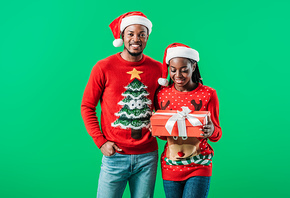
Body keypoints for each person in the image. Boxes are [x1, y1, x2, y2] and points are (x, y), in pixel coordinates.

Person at [81, 11, 162, 198]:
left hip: (147, 156)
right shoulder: (103, 67)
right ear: (122, 36)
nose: (136, 39)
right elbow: (87, 106)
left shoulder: (157, 68)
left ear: (147, 37)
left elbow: (163, 105)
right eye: (131, 34)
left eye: (142, 34)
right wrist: (100, 142)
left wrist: (159, 121)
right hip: (114, 156)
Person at [155, 43, 222, 198]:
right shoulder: (162, 94)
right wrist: (157, 129)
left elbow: (217, 134)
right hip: (171, 165)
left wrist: (212, 131)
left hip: (199, 164)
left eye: (184, 69)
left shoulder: (209, 94)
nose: (178, 75)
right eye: (173, 70)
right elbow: (164, 135)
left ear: (193, 66)